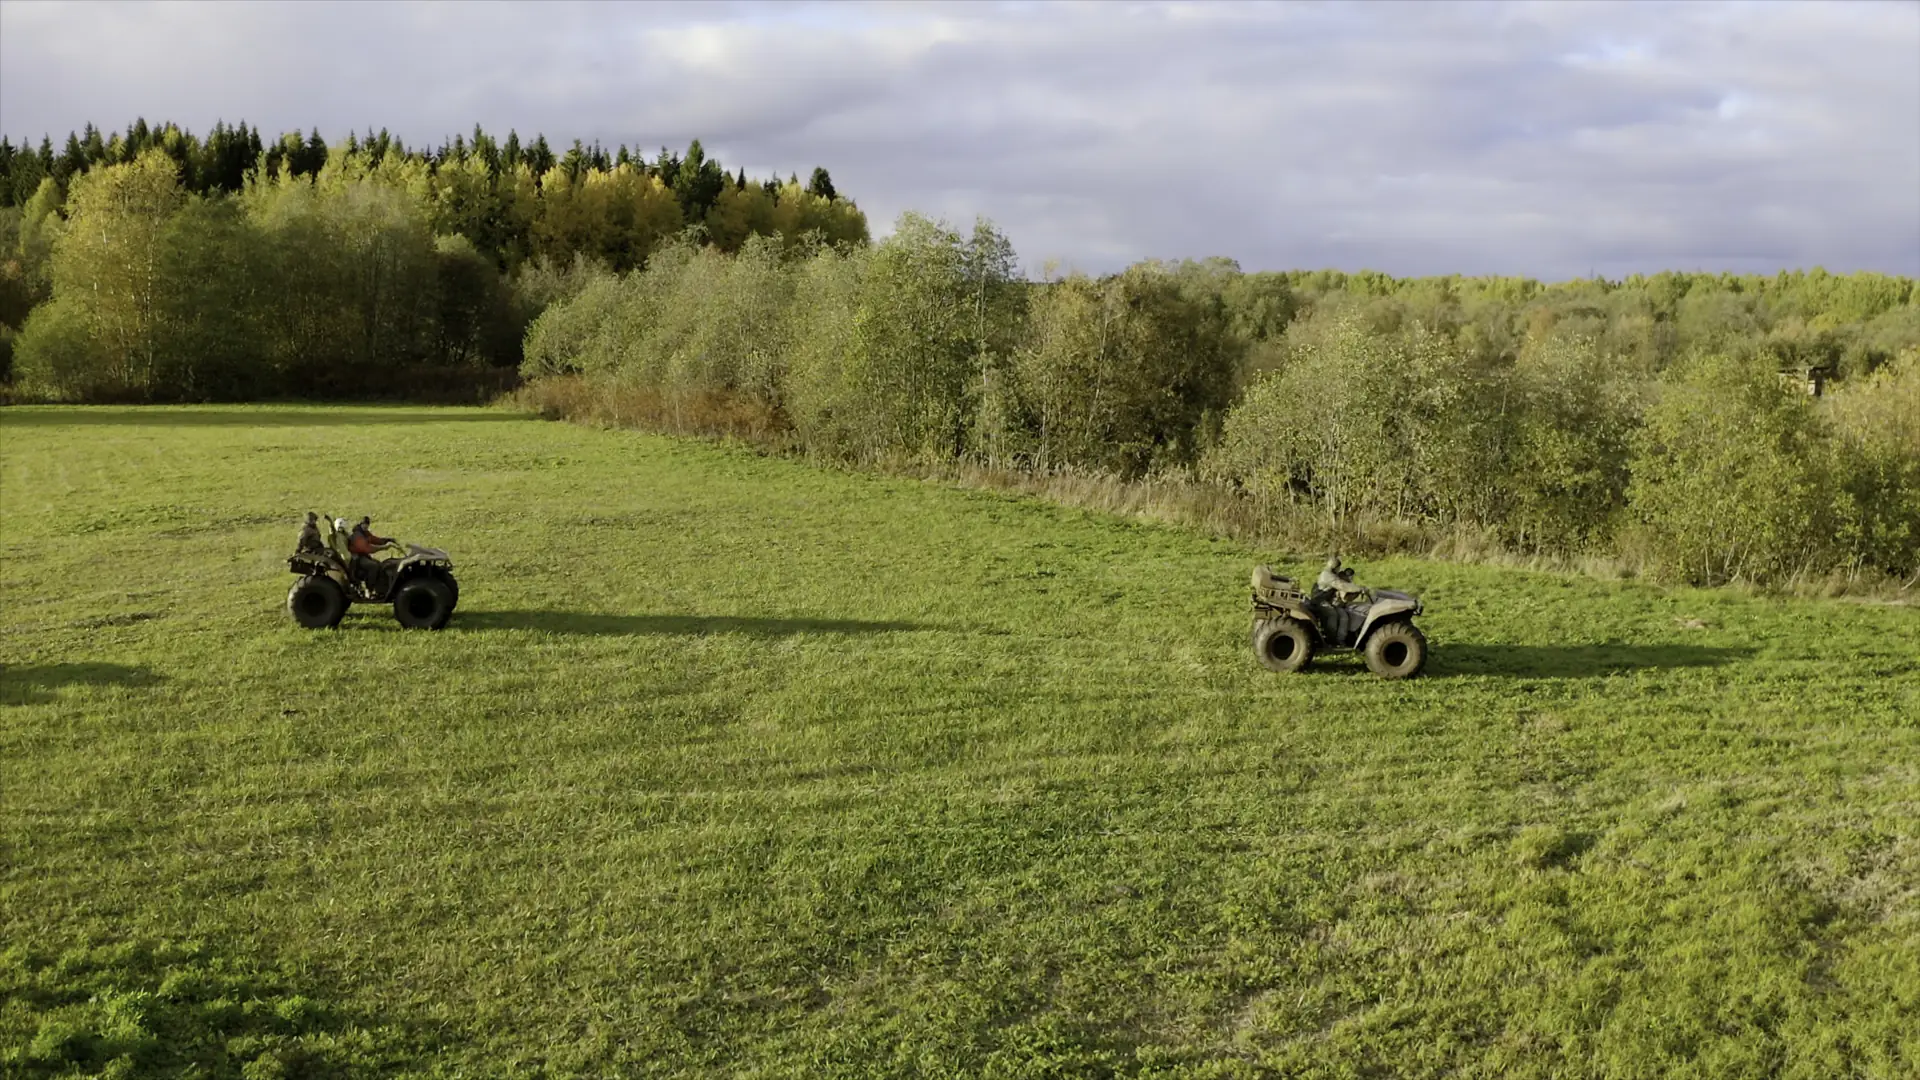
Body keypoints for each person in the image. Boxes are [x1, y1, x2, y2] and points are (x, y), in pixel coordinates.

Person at [348, 517, 398, 591]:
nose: (366, 526)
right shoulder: (357, 535)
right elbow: (367, 548)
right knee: (374, 566)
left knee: (380, 565)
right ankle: (370, 589)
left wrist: (388, 540)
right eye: (364, 524)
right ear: (361, 524)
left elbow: (375, 539)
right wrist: (384, 547)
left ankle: (380, 587)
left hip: (363, 556)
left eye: (367, 524)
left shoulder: (365, 533)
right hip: (357, 558)